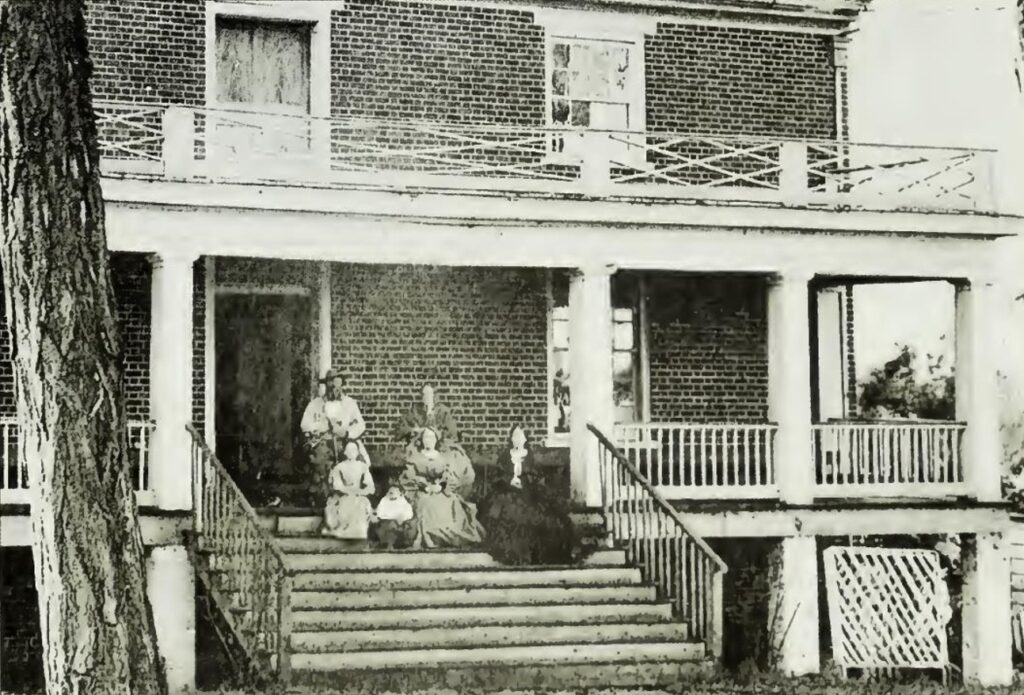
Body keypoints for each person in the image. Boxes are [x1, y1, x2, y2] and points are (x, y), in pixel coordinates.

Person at [482, 425, 574, 565]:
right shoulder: (505, 456)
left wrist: (525, 481)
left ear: (525, 439)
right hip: (508, 494)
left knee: (535, 515)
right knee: (506, 511)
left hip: (528, 494)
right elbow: (497, 477)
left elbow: (537, 477)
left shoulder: (531, 456)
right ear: (511, 438)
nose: (517, 439)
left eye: (520, 436)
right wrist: (509, 481)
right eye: (514, 436)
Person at [399, 427, 484, 549]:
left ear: (436, 439)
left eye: (432, 437)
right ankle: (431, 535)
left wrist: (440, 486)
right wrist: (425, 485)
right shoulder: (415, 458)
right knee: (427, 503)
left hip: (441, 490)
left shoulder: (442, 457)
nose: (429, 440)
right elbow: (409, 476)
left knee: (452, 502)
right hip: (422, 491)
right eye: (426, 437)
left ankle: (448, 535)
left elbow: (448, 475)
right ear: (422, 439)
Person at [390, 383, 476, 498]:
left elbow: (453, 433)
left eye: (429, 394)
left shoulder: (443, 411)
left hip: (441, 447)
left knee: (455, 462)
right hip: (419, 447)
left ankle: (448, 489)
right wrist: (415, 430)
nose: (426, 397)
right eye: (424, 394)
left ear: (434, 396)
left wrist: (438, 434)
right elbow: (399, 431)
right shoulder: (414, 411)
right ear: (421, 396)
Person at [300, 368, 369, 507]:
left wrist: (347, 432)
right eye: (331, 386)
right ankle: (323, 502)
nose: (334, 390)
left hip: (345, 441)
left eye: (337, 386)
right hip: (324, 442)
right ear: (326, 385)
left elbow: (361, 425)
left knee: (356, 462)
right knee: (320, 463)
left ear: (342, 386)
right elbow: (305, 424)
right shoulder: (315, 404)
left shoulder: (350, 403)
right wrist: (321, 428)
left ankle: (350, 500)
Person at [321, 441, 375, 541]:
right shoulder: (339, 467)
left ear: (358, 452)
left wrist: (360, 491)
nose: (351, 452)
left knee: (362, 504)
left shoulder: (363, 467)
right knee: (342, 504)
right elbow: (337, 485)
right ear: (345, 452)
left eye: (354, 450)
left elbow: (371, 487)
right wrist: (347, 490)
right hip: (345, 494)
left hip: (358, 494)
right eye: (348, 450)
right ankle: (345, 528)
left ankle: (358, 530)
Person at [374, 485, 416, 550]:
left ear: (400, 493)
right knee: (390, 525)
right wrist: (392, 517)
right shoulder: (384, 500)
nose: (389, 494)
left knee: (411, 525)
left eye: (392, 492)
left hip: (400, 525)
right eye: (389, 492)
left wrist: (401, 518)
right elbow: (379, 513)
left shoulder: (403, 501)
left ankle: (402, 543)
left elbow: (409, 514)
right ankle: (389, 544)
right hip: (386, 524)